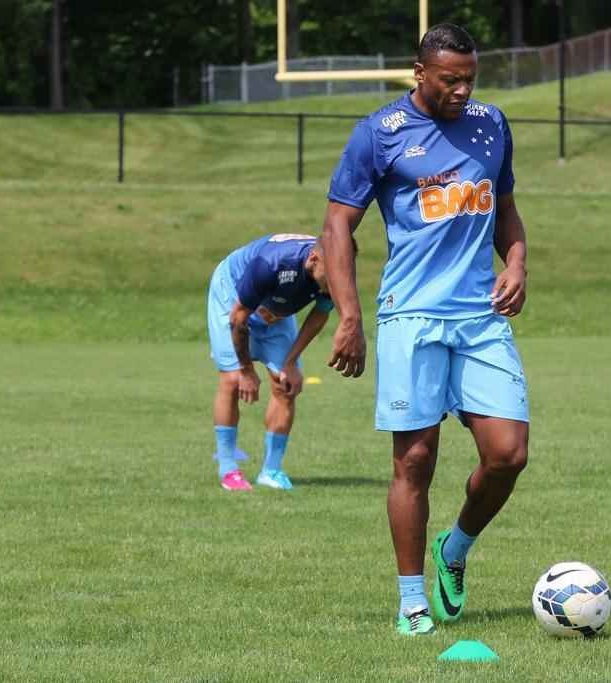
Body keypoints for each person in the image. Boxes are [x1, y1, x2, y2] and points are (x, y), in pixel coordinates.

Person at [321, 24, 530, 636]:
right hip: (411, 315)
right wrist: (350, 317)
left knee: (508, 455)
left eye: (470, 79)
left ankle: (455, 547)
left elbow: (505, 208)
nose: (463, 90)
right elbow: (337, 227)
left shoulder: (492, 124)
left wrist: (516, 263)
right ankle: (412, 602)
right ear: (419, 73)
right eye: (450, 80)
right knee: (414, 460)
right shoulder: (380, 133)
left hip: (480, 315)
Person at [207, 233, 339, 492]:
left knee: (286, 385)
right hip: (232, 296)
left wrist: (291, 362)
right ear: (313, 260)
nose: (337, 282)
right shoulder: (271, 264)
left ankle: (271, 471)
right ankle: (228, 468)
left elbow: (320, 313)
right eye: (332, 275)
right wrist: (246, 370)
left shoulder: (337, 270)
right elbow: (238, 318)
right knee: (232, 380)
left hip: (276, 309)